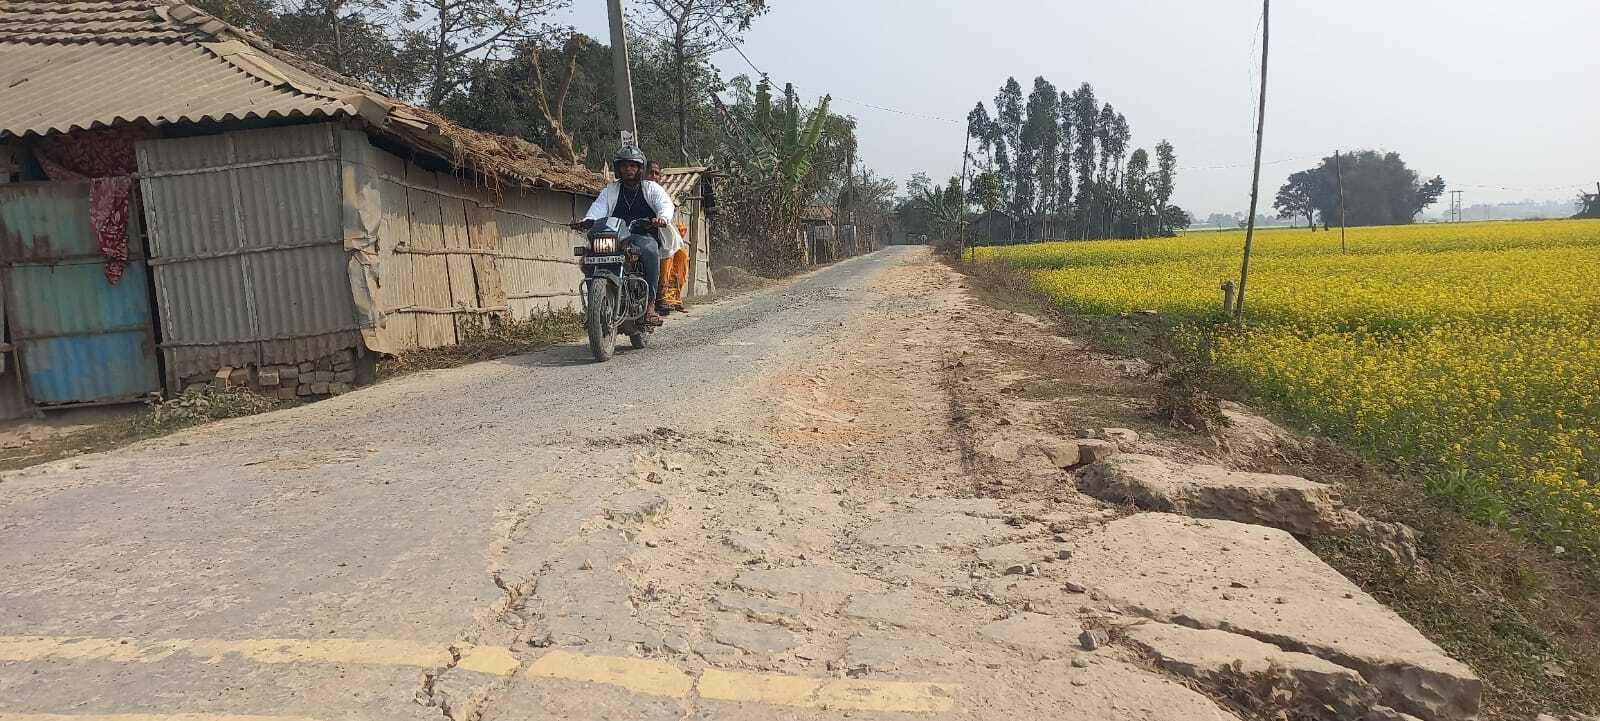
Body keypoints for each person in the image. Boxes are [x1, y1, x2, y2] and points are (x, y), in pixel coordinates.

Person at [572, 146, 675, 325]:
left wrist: (662, 218)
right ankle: (594, 309)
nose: (629, 169)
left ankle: (650, 306)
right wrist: (588, 220)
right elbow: (598, 208)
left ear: (640, 168)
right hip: (616, 236)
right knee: (589, 256)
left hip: (642, 235)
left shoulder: (651, 188)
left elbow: (665, 204)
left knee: (651, 250)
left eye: (633, 166)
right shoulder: (610, 190)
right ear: (618, 168)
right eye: (625, 165)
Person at [648, 161, 691, 313]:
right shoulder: (641, 190)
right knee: (664, 251)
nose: (653, 176)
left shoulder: (661, 193)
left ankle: (673, 298)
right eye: (650, 173)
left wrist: (663, 218)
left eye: (656, 173)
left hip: (663, 229)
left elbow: (667, 209)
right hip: (645, 232)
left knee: (682, 256)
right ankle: (660, 296)